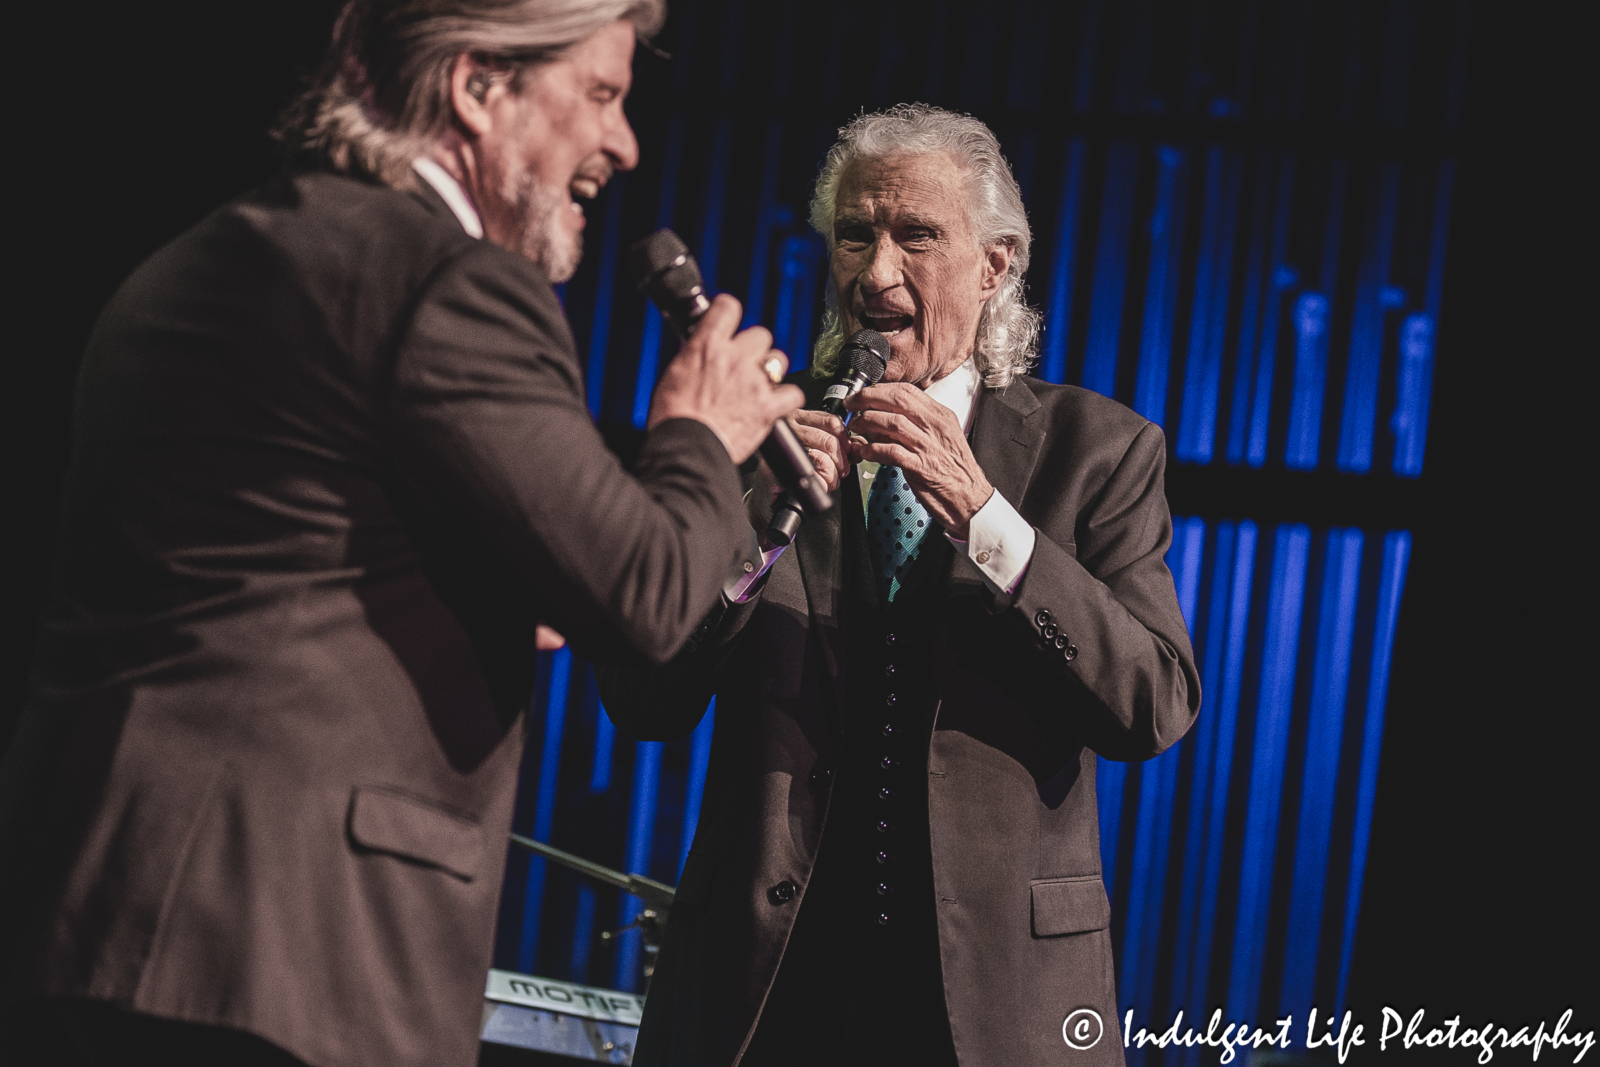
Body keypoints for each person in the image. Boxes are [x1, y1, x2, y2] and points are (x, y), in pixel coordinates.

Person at [0, 2, 803, 1065]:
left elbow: (280, 568)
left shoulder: (199, 257)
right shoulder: (453, 287)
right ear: (478, 88)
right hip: (286, 952)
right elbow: (648, 596)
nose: (624, 143)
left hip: (84, 922)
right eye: (602, 94)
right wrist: (703, 428)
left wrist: (474, 608)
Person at [598, 104, 1201, 1066]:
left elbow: (1154, 704)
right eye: (854, 235)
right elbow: (642, 697)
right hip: (767, 996)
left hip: (996, 1001)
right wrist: (754, 512)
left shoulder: (1100, 452)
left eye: (916, 235)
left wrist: (987, 516)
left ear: (995, 265)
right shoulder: (749, 432)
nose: (876, 273)